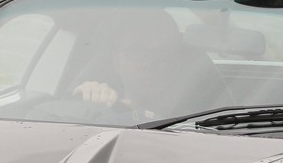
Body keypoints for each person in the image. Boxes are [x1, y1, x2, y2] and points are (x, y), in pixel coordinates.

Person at [72, 10, 224, 121]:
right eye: (136, 52)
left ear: (177, 61)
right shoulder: (98, 108)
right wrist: (83, 101)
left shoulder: (208, 119)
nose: (148, 63)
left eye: (162, 53)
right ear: (117, 62)